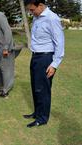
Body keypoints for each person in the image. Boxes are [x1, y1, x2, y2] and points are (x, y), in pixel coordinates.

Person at [23, 0, 65, 128]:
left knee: (43, 89)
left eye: (32, 9)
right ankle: (37, 113)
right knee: (36, 87)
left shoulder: (52, 19)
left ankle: (42, 118)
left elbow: (60, 42)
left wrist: (54, 64)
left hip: (46, 58)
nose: (31, 12)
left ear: (40, 5)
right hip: (35, 56)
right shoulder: (37, 18)